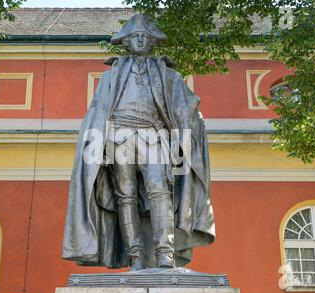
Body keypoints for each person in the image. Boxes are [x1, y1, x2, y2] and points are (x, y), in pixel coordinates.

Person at [63, 14, 215, 271]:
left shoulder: (168, 75)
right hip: (119, 136)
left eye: (145, 36)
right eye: (135, 37)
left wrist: (188, 131)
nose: (140, 40)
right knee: (126, 196)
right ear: (126, 42)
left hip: (154, 136)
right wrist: (95, 146)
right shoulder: (110, 77)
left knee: (159, 190)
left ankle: (164, 252)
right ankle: (135, 255)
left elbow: (185, 107)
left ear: (153, 41)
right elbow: (97, 112)